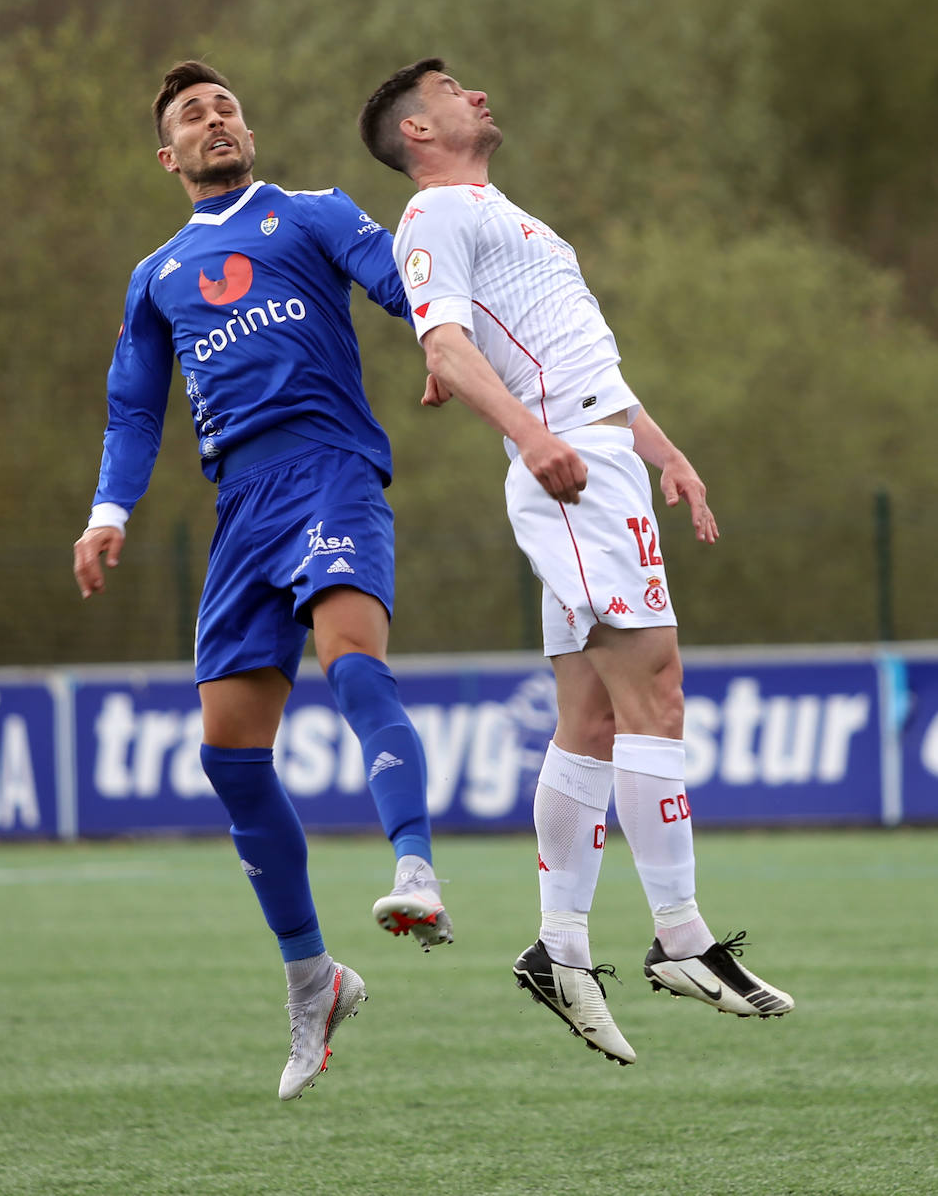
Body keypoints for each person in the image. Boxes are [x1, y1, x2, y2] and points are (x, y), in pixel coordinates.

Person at [358, 58, 794, 1066]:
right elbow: (446, 351)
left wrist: (667, 452)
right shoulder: (430, 220)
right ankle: (680, 936)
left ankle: (557, 953)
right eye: (454, 88)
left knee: (592, 718)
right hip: (568, 470)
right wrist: (532, 436)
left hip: (596, 457)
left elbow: (580, 359)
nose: (477, 93)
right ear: (417, 131)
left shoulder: (505, 212)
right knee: (658, 690)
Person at [73, 60, 452, 1102]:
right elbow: (136, 408)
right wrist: (109, 514)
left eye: (225, 106)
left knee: (350, 660)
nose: (215, 120)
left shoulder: (311, 213)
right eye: (193, 116)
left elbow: (400, 277)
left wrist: (438, 339)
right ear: (170, 157)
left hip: (330, 468)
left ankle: (414, 868)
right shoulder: (156, 275)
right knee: (232, 760)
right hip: (240, 509)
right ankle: (313, 980)